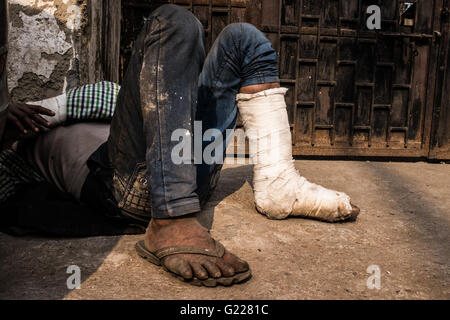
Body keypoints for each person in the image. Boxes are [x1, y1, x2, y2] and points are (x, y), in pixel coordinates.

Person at [1, 4, 359, 287]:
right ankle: (171, 220)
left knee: (243, 38)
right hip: (127, 187)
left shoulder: (73, 107)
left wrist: (50, 110)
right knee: (173, 20)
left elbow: (103, 95)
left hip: (188, 166)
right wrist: (8, 128)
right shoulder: (17, 158)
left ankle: (279, 184)